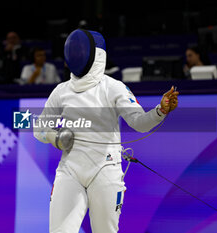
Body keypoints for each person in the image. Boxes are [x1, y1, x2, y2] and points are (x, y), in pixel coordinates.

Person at [33, 29, 179, 233]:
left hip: (105, 169)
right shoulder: (61, 90)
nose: (76, 54)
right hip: (70, 170)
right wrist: (55, 137)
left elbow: (139, 122)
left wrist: (160, 110)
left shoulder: (113, 87)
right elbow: (39, 127)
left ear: (96, 55)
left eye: (81, 49)